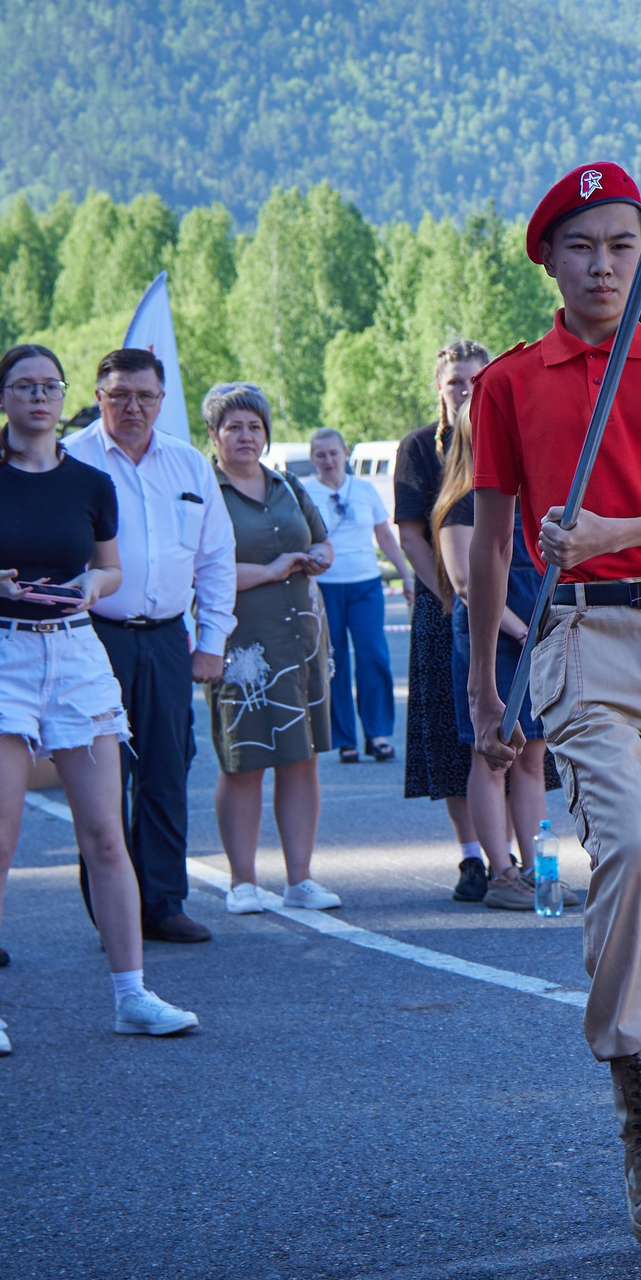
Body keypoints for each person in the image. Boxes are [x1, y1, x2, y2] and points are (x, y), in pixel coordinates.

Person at [467, 162, 641, 1253]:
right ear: (548, 257)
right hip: (579, 637)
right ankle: (638, 1107)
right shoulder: (510, 380)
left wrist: (612, 532)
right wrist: (488, 685)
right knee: (629, 850)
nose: (603, 265)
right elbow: (492, 541)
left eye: (623, 245)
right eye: (582, 245)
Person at [0, 344, 197, 1057]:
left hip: (77, 649)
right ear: (2, 399)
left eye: (50, 386)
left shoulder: (91, 481)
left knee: (107, 836)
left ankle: (132, 995)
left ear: (61, 396)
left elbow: (108, 569)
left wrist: (93, 587)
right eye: (24, 387)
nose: (39, 398)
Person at [65, 348, 237, 944]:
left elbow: (216, 560)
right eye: (119, 396)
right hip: (91, 639)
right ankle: (112, 913)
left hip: (167, 638)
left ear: (162, 400)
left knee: (167, 770)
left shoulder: (189, 466)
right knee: (99, 779)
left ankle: (163, 903)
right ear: (98, 397)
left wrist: (212, 640)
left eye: (145, 396)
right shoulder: (70, 461)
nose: (132, 407)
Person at [201, 382, 338, 914]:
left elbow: (321, 538)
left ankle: (300, 879)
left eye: (254, 426)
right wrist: (270, 571)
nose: (245, 436)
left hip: (301, 643)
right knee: (243, 762)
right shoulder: (206, 490)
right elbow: (199, 571)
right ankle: (242, 882)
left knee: (301, 759)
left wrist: (320, 556)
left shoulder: (286, 484)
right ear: (213, 435)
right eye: (233, 426)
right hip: (242, 650)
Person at [435, 404, 571, 912]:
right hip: (494, 642)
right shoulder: (461, 504)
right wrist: (523, 632)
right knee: (490, 756)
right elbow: (467, 584)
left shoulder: (529, 495)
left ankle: (538, 872)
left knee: (534, 754)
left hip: (534, 638)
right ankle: (501, 872)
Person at [395, 342, 496, 898]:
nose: (466, 390)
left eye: (477, 380)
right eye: (456, 382)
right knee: (455, 739)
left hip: (506, 603)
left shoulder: (503, 436)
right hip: (444, 608)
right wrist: (449, 596)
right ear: (440, 387)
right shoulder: (419, 448)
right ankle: (472, 855)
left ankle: (511, 850)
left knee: (508, 735)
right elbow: (411, 532)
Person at [308, 426, 407, 763]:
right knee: (333, 660)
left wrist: (406, 574)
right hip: (325, 585)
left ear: (345, 453)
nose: (328, 460)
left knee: (373, 655)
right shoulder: (304, 491)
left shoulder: (364, 490)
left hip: (365, 583)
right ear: (312, 459)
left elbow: (386, 536)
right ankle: (344, 737)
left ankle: (377, 733)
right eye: (320, 455)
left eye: (333, 453)